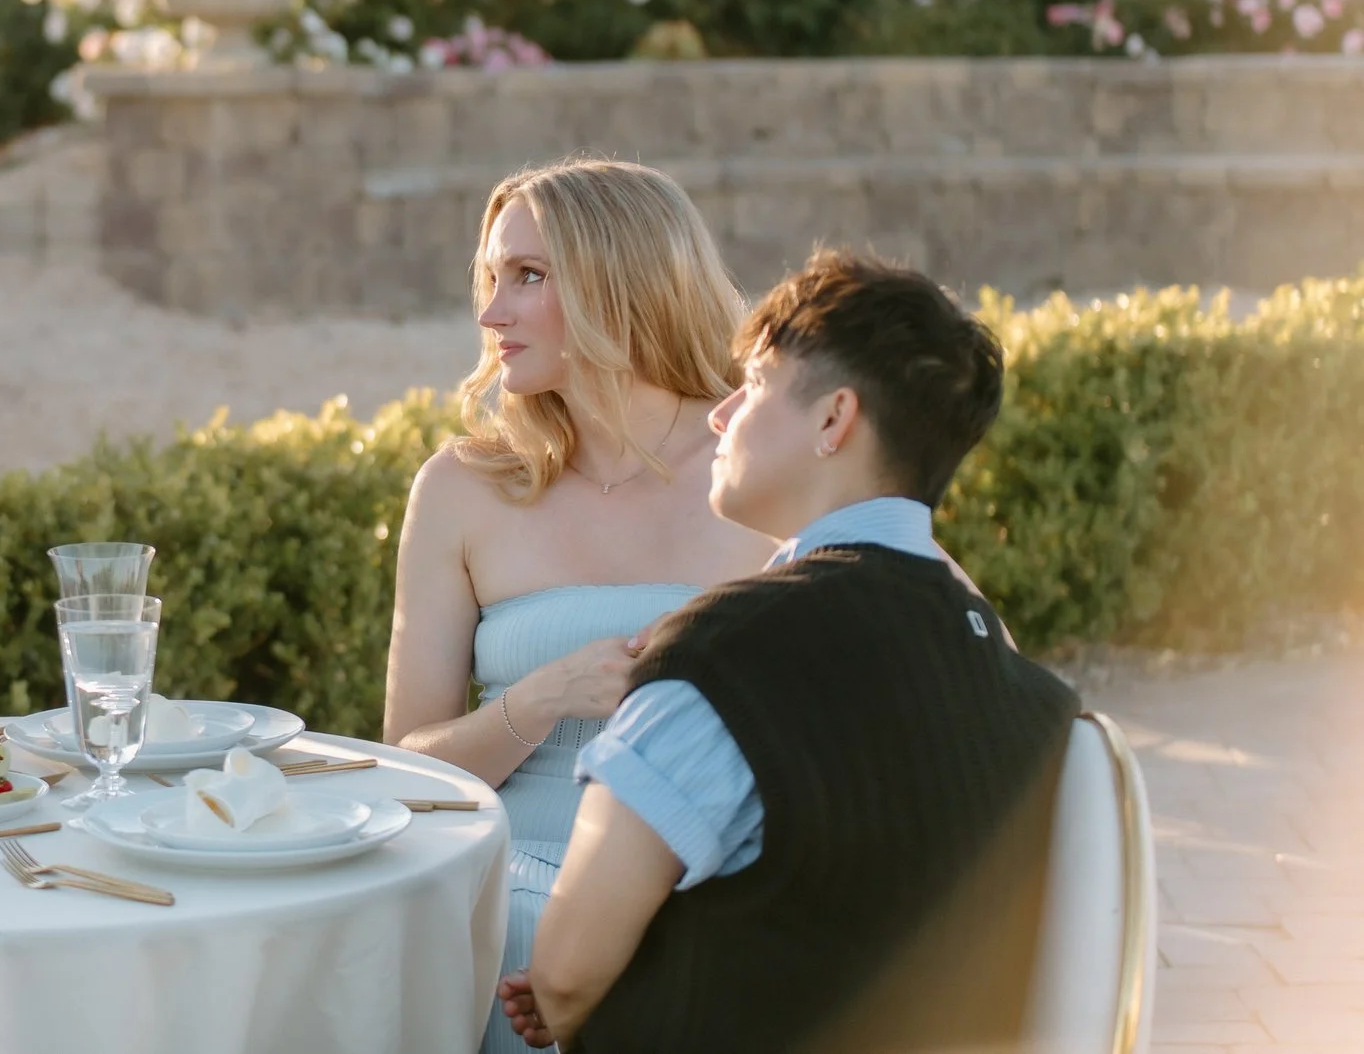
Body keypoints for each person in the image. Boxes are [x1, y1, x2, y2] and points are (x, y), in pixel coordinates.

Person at [499, 251, 1081, 1053]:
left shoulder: (724, 655)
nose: (721, 411)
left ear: (833, 419)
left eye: (757, 382)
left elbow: (564, 970)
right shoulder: (1035, 699)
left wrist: (594, 992)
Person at [381, 157, 777, 1054]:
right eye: (489, 278)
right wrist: (540, 698)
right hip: (503, 909)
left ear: (619, 281)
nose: (490, 314)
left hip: (712, 903)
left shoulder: (760, 459)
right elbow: (404, 770)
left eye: (527, 276)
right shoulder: (463, 487)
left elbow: (932, 625)